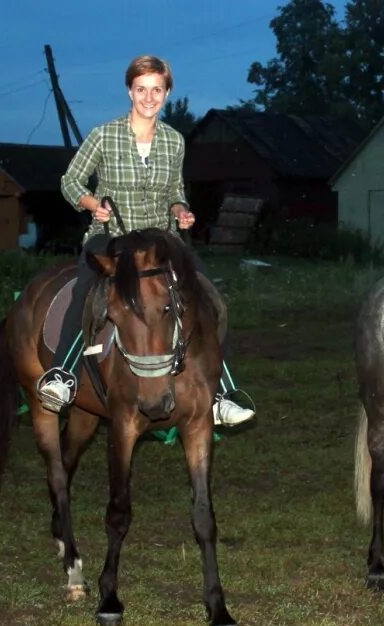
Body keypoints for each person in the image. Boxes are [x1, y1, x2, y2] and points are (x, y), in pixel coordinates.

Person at [37, 55, 255, 427]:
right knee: (87, 289)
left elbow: (174, 189)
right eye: (141, 89)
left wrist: (181, 209)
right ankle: (62, 374)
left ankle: (221, 394)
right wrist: (92, 204)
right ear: (129, 91)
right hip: (111, 237)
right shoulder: (103, 135)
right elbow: (70, 181)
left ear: (167, 92)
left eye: (157, 89)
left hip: (159, 241)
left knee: (207, 295)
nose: (148, 97)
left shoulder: (174, 141)